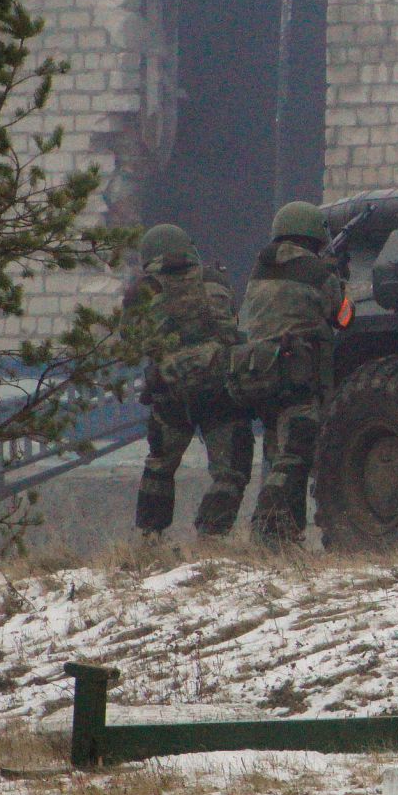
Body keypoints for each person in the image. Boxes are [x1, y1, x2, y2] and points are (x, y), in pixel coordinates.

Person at [233, 201, 349, 547]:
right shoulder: (317, 272)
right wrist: (339, 276)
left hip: (259, 375)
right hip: (296, 375)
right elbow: (343, 318)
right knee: (295, 456)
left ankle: (284, 536)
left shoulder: (261, 267)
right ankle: (267, 527)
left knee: (275, 453)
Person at [125, 223, 253, 538]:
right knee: (230, 472)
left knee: (159, 466)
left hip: (170, 395)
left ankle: (151, 537)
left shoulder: (141, 291)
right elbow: (234, 328)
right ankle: (211, 535)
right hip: (220, 392)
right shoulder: (217, 281)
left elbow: (129, 345)